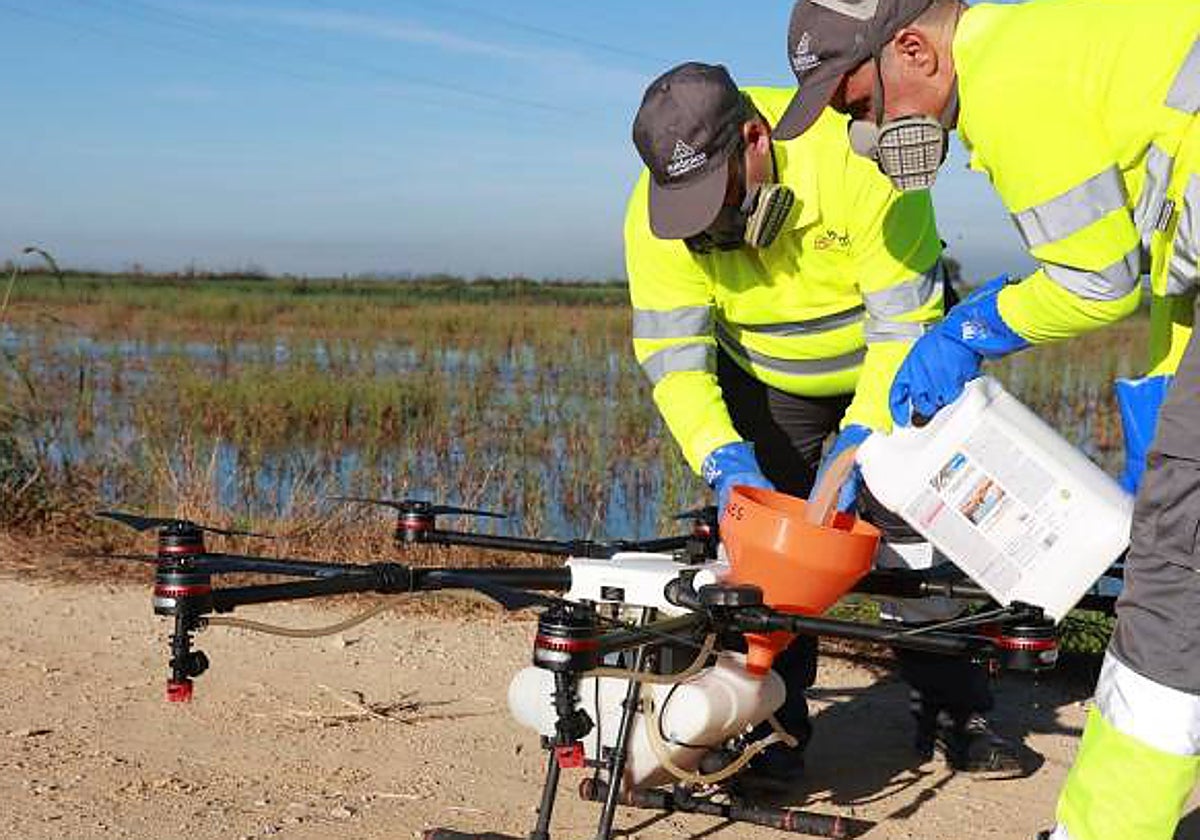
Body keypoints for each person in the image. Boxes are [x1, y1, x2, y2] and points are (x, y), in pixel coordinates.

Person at [773, 0, 1200, 836]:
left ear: (913, 50)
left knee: (1174, 581)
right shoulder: (1061, 37)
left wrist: (967, 330)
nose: (864, 135)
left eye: (860, 105)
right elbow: (1168, 265)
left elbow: (1094, 281)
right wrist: (1163, 397)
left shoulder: (1008, 78)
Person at [624, 61, 1020, 790]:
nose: (714, 229)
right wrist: (722, 459)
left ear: (755, 138)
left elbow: (902, 323)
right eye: (695, 218)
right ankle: (772, 724)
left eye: (725, 203)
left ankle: (953, 710)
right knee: (769, 551)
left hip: (898, 360)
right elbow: (674, 358)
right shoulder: (661, 219)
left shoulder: (856, 156)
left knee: (924, 531)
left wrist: (864, 433)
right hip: (770, 380)